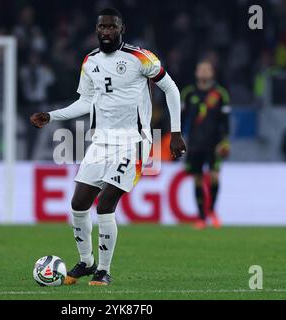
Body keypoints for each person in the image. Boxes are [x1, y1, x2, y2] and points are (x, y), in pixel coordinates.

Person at [30, 8, 186, 285]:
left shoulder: (141, 58)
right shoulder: (89, 62)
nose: (106, 32)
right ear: (96, 30)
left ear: (121, 29)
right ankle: (86, 261)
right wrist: (52, 115)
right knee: (78, 205)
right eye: (102, 27)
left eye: (111, 27)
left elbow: (171, 89)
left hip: (134, 143)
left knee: (105, 205)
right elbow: (85, 102)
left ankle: (103, 270)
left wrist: (175, 133)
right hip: (101, 142)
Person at [181, 60, 231, 230]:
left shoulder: (220, 94)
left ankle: (212, 211)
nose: (203, 72)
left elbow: (225, 121)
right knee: (197, 179)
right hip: (195, 143)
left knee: (215, 175)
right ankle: (201, 217)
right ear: (196, 72)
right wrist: (179, 137)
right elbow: (180, 118)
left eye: (207, 69)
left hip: (214, 143)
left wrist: (224, 141)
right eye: (201, 69)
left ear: (212, 73)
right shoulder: (188, 94)